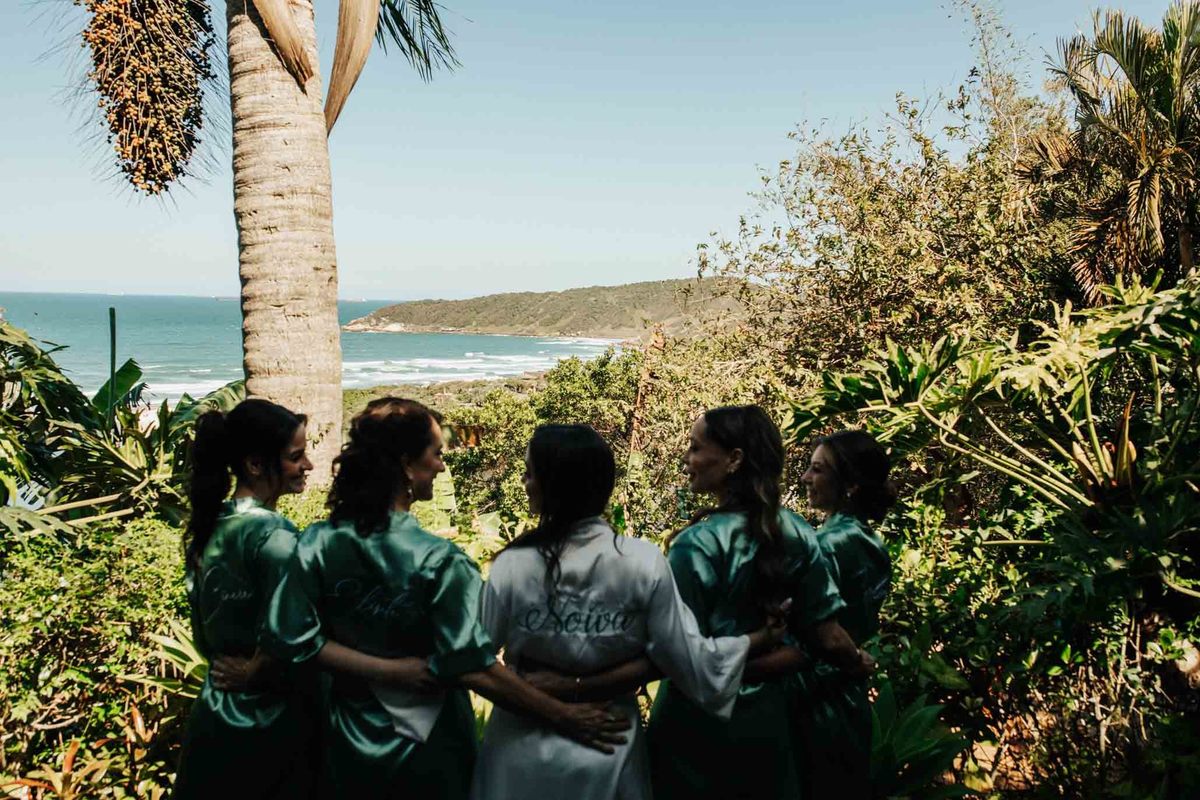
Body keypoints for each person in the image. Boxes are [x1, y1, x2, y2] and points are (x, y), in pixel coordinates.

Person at [263, 398, 629, 800]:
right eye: (436, 454)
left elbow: (292, 638)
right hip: (430, 745)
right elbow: (475, 667)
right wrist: (565, 715)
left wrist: (380, 669)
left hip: (349, 737)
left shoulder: (316, 543)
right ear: (406, 464)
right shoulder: (440, 562)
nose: (441, 466)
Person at [470, 424, 784, 800]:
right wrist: (759, 639)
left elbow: (472, 662)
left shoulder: (512, 565)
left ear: (552, 484)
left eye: (529, 473)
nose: (523, 482)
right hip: (610, 744)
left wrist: (552, 705)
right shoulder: (642, 561)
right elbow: (688, 657)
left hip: (520, 754)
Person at [645, 405, 873, 800]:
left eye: (695, 448)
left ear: (734, 459)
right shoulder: (799, 532)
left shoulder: (695, 546)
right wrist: (853, 660)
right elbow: (824, 636)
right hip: (766, 726)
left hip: (693, 731)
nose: (687, 459)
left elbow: (679, 655)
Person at [172, 399, 318, 800]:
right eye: (296, 457)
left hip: (216, 711)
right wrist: (259, 670)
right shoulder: (276, 538)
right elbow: (293, 634)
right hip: (268, 725)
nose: (307, 465)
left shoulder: (207, 527)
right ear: (255, 464)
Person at [792, 430, 895, 800]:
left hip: (815, 702)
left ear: (850, 485)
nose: (806, 477)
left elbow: (821, 633)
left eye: (817, 470)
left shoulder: (826, 546)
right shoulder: (871, 542)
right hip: (850, 696)